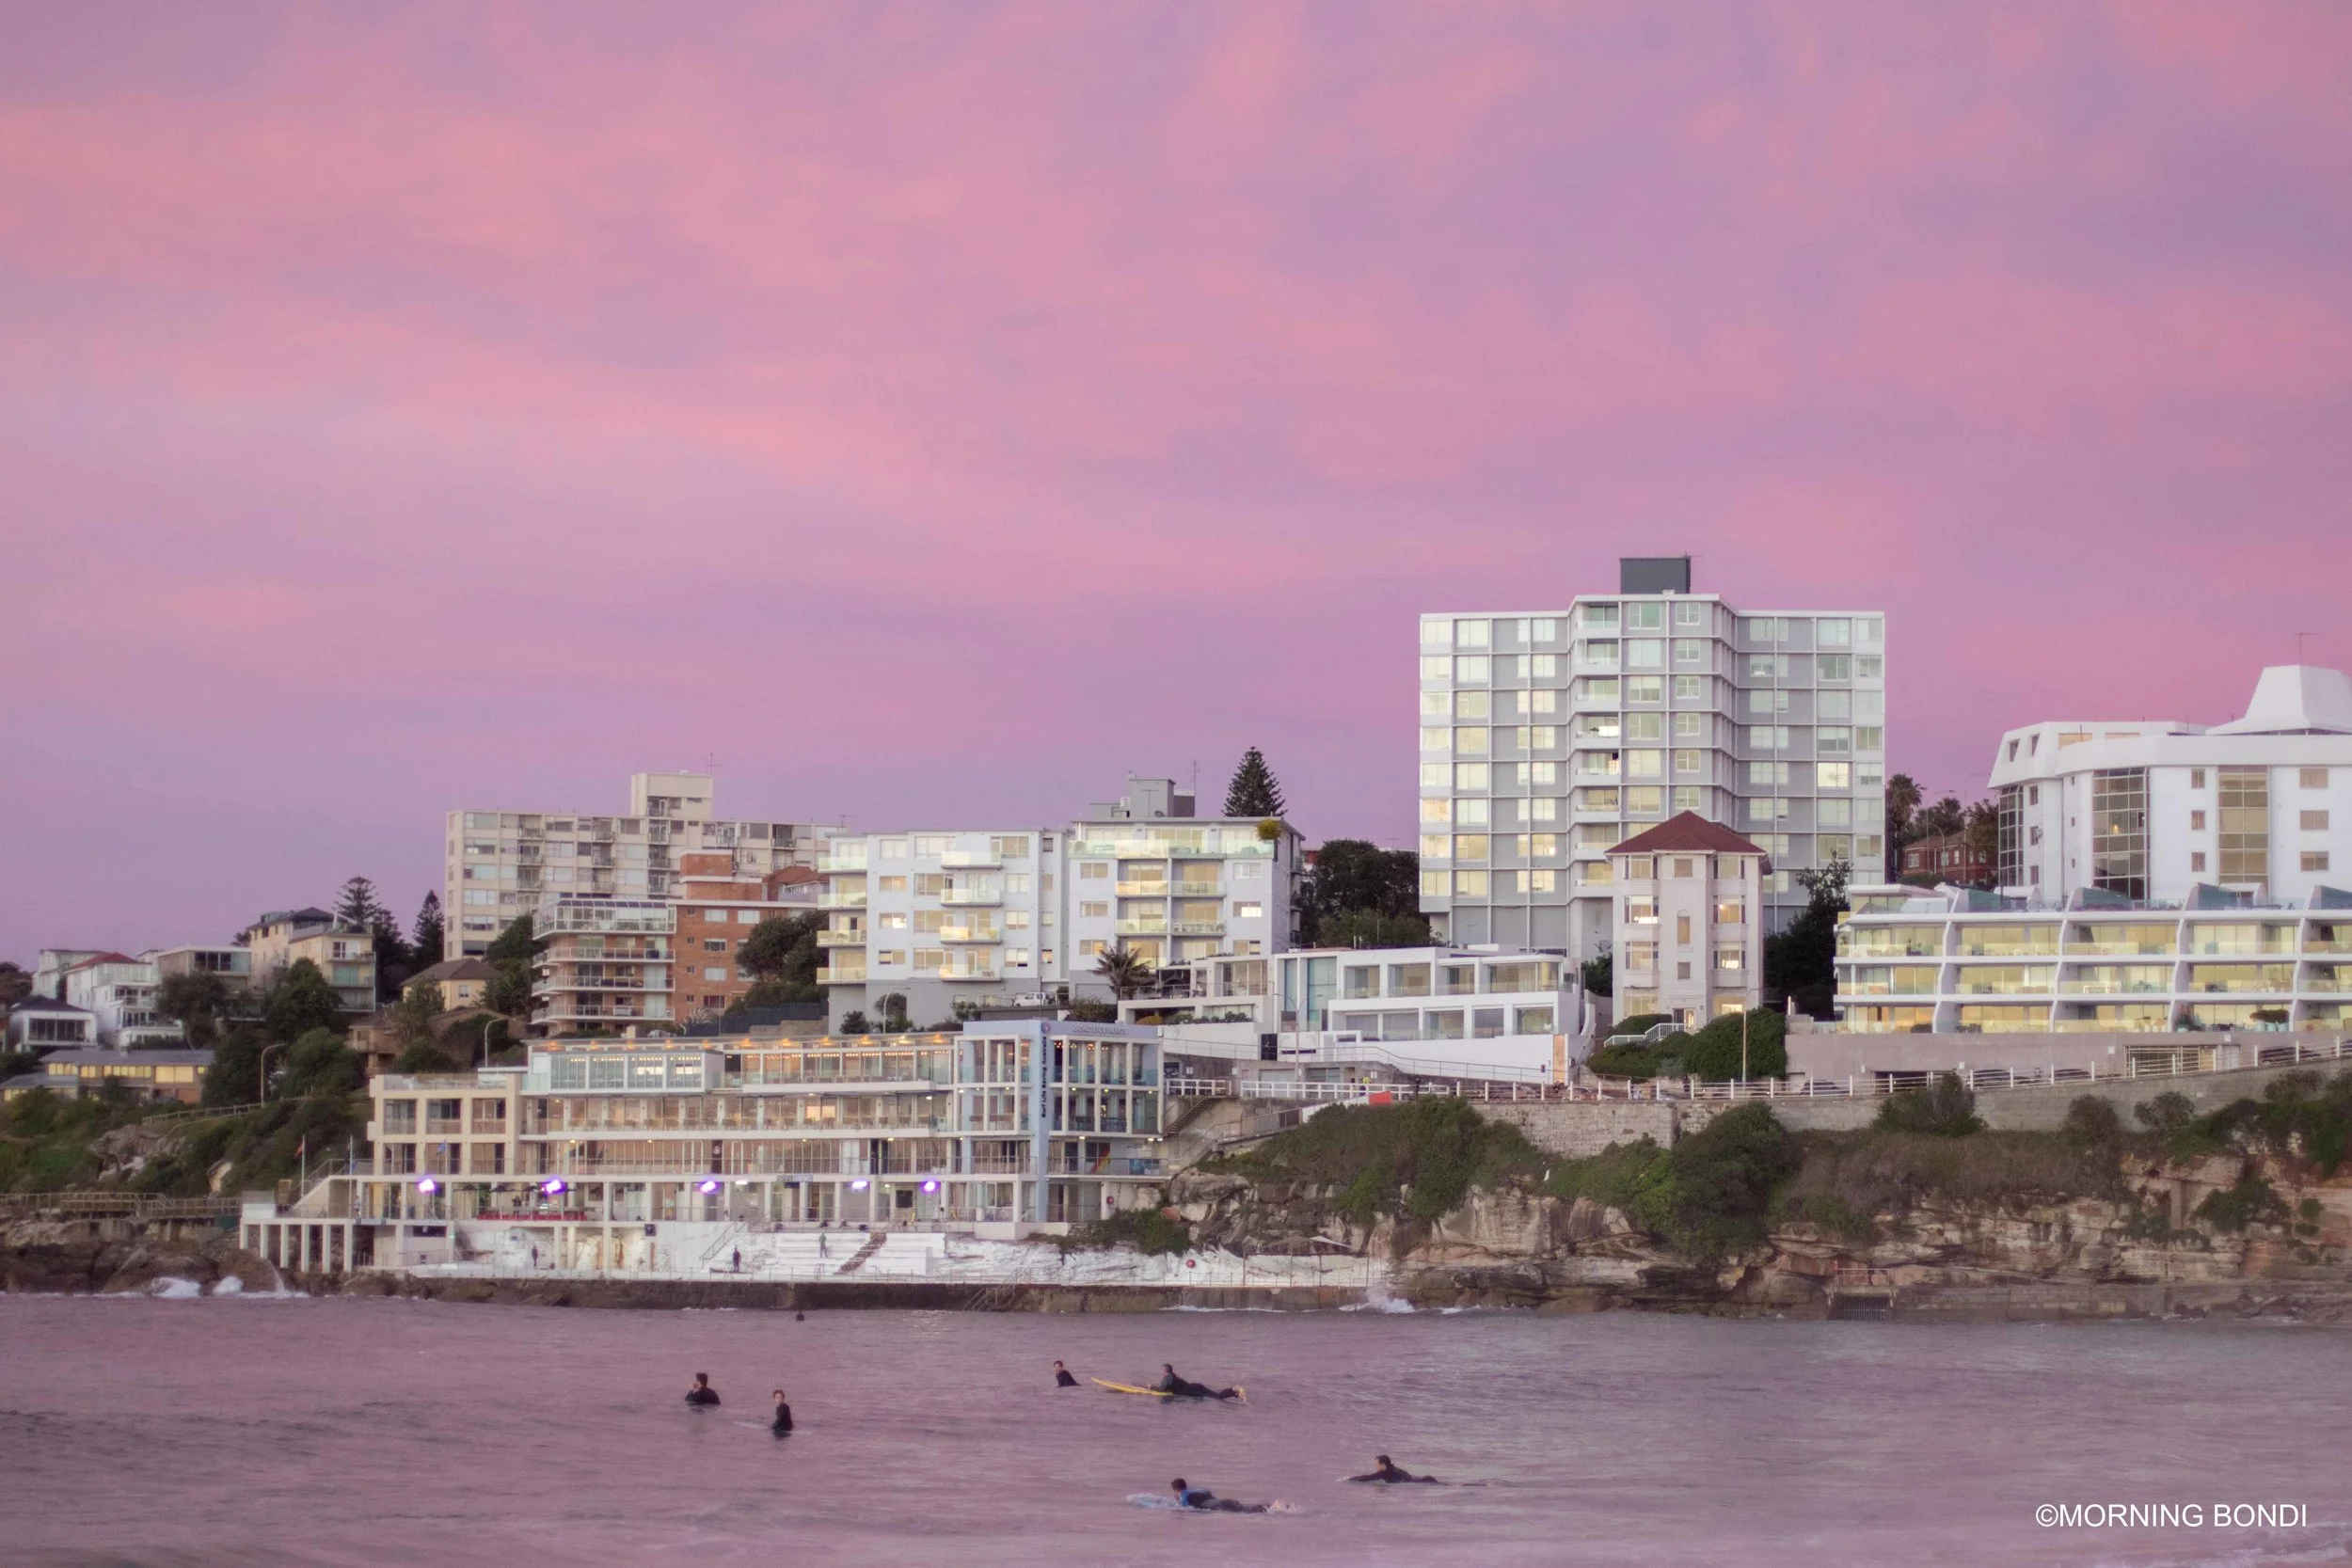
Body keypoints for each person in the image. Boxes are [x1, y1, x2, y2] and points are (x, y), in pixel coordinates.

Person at [1169, 1478, 1269, 1513]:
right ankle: (1270, 1506)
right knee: (1250, 1508)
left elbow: (1186, 1509)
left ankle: (1271, 1507)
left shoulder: (1184, 1496)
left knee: (1252, 1511)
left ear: (1176, 1491)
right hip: (1226, 1501)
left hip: (1221, 1506)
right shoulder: (1198, 1490)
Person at [1153, 1363, 1241, 1401]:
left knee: (1217, 1398)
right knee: (1217, 1395)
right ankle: (1234, 1392)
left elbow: (1161, 1390)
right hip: (1196, 1386)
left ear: (1165, 1371)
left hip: (1193, 1391)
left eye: (1163, 1371)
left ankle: (1234, 1391)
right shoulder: (1174, 1376)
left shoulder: (1168, 1378)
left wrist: (1150, 1387)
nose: (1162, 1373)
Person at [1347, 1454, 1438, 1484]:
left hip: (1424, 1482)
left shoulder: (1384, 1473)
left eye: (1377, 1464)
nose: (1376, 1466)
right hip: (1425, 1479)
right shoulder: (1394, 1469)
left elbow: (1367, 1478)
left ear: (1383, 1464)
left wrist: (1349, 1480)